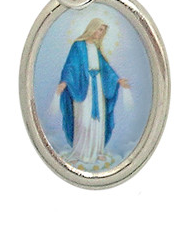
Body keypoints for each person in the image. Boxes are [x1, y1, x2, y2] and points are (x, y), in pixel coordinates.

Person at [56, 18, 131, 170]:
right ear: (92, 28)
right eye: (99, 29)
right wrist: (65, 82)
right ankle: (81, 152)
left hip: (98, 86)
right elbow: (71, 66)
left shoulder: (96, 48)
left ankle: (97, 151)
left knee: (98, 119)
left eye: (103, 31)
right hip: (83, 86)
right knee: (83, 119)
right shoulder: (78, 46)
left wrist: (117, 80)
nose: (100, 33)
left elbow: (105, 68)